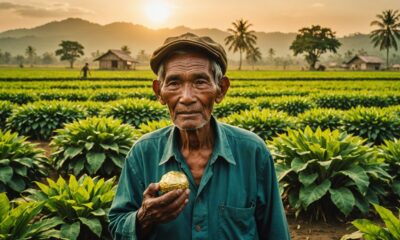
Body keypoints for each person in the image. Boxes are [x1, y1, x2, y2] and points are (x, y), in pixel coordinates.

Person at [108, 32, 291, 240]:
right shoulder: (143, 153)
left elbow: (275, 232)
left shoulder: (252, 152)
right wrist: (144, 217)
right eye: (174, 83)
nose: (186, 97)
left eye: (200, 82)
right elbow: (116, 224)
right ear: (159, 92)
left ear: (220, 89)